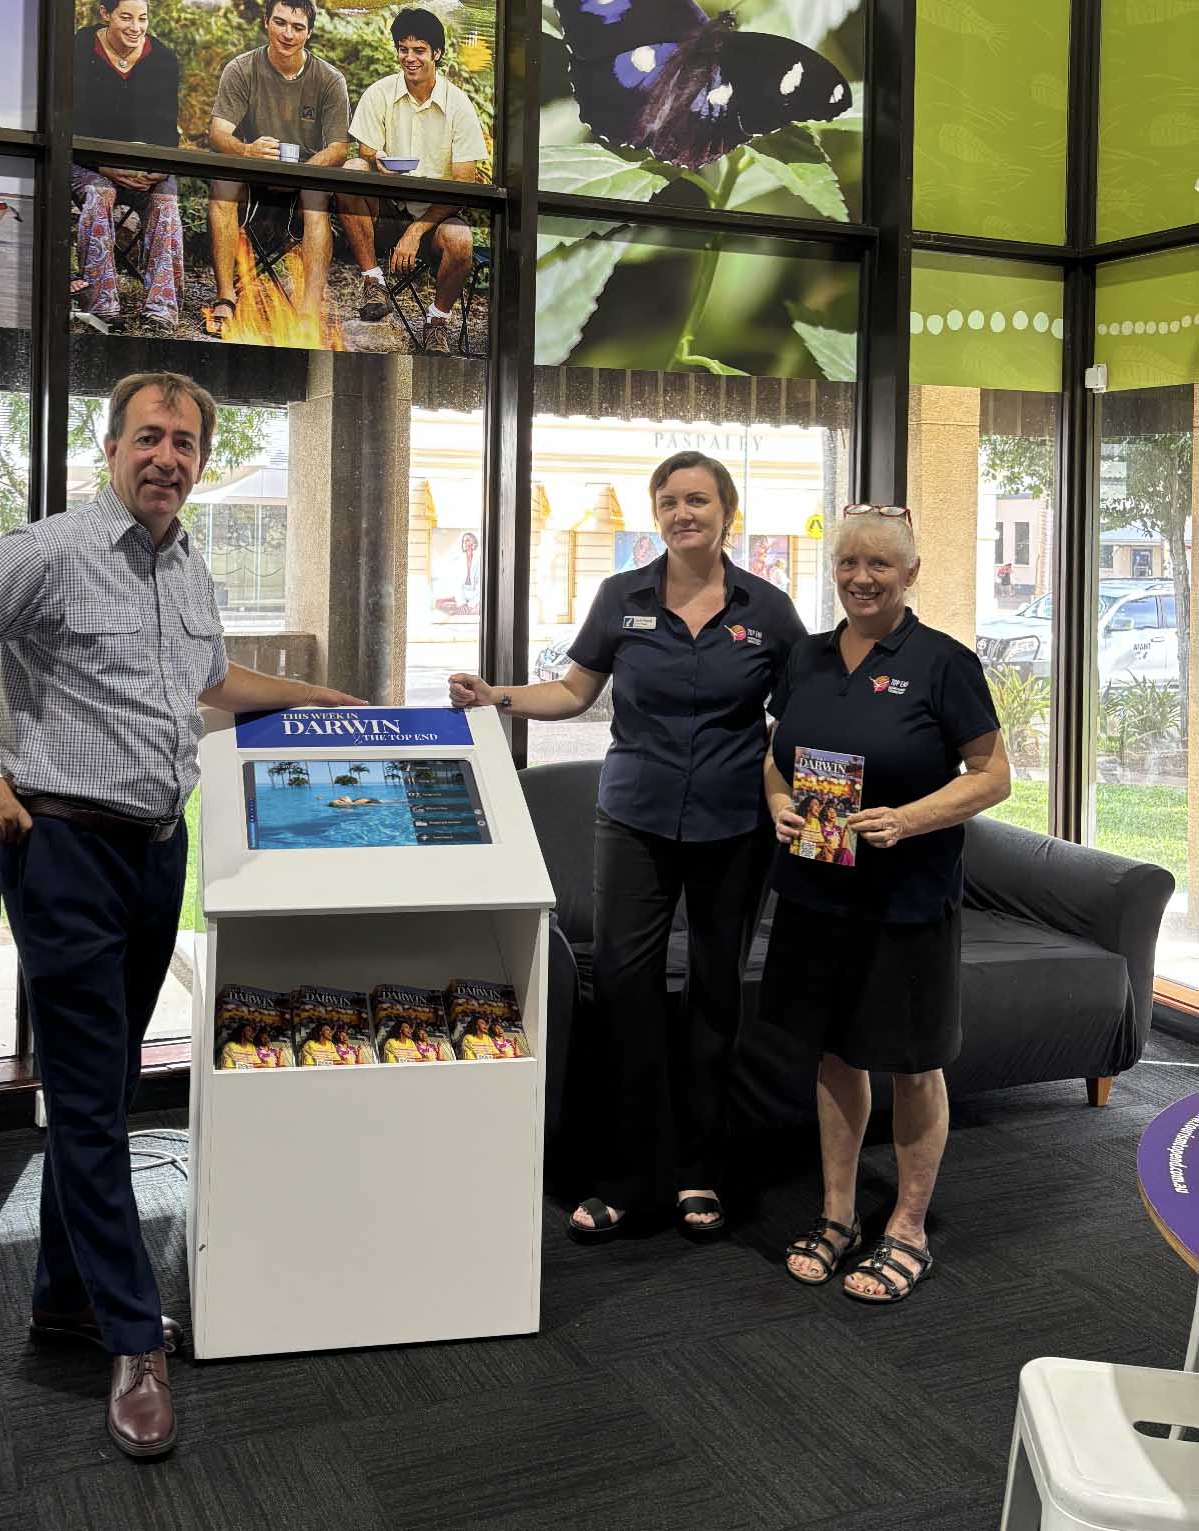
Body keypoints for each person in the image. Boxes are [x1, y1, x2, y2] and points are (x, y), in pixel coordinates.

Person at [0, 370, 360, 1460]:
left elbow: (205, 678)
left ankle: (63, 1296)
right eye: (151, 437)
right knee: (93, 1100)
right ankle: (134, 1341)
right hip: (63, 854)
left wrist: (312, 699)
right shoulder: (46, 551)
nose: (169, 458)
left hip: (154, 853)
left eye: (186, 443)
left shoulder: (185, 560)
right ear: (110, 447)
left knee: (100, 1083)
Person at [450, 451, 805, 1244]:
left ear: (727, 513)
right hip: (635, 820)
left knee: (716, 994)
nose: (685, 513)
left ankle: (700, 1170)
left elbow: (801, 717)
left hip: (732, 827)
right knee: (626, 992)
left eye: (700, 500)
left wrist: (804, 783)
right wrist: (495, 695)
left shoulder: (769, 612)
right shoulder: (622, 597)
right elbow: (576, 690)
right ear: (658, 516)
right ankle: (630, 1176)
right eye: (671, 502)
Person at [764, 504, 1008, 1304]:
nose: (861, 579)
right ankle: (837, 1214)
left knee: (912, 1060)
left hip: (906, 899)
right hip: (815, 891)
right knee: (835, 1052)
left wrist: (910, 817)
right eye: (848, 564)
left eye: (879, 565)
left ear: (910, 573)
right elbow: (777, 757)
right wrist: (776, 802)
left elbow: (991, 774)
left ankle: (907, 1226)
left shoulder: (943, 662)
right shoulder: (805, 656)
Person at [337, 7, 485, 354]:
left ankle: (437, 323)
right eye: (403, 49)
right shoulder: (380, 93)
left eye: (419, 50)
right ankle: (373, 282)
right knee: (352, 170)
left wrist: (416, 232)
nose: (410, 58)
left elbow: (466, 182)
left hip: (436, 215)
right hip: (386, 207)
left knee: (461, 240)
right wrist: (378, 162)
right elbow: (366, 150)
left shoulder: (459, 106)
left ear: (437, 53)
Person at [206, 0, 350, 334]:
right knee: (222, 186)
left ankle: (307, 313)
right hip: (254, 169)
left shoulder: (330, 79)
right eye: (280, 23)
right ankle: (225, 298)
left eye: (298, 27)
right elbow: (218, 133)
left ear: (309, 33)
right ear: (266, 23)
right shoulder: (241, 68)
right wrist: (247, 150)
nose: (288, 34)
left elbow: (339, 148)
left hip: (306, 174)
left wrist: (304, 173)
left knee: (316, 198)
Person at [72, 0, 187, 335]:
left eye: (143, 18)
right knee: (100, 191)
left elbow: (167, 131)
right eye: (126, 17)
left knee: (165, 199)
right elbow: (70, 124)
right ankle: (101, 305)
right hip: (87, 163)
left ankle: (161, 310)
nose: (136, 28)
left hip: (144, 167)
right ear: (105, 14)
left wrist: (158, 168)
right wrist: (104, 166)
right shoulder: (79, 50)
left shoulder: (163, 60)